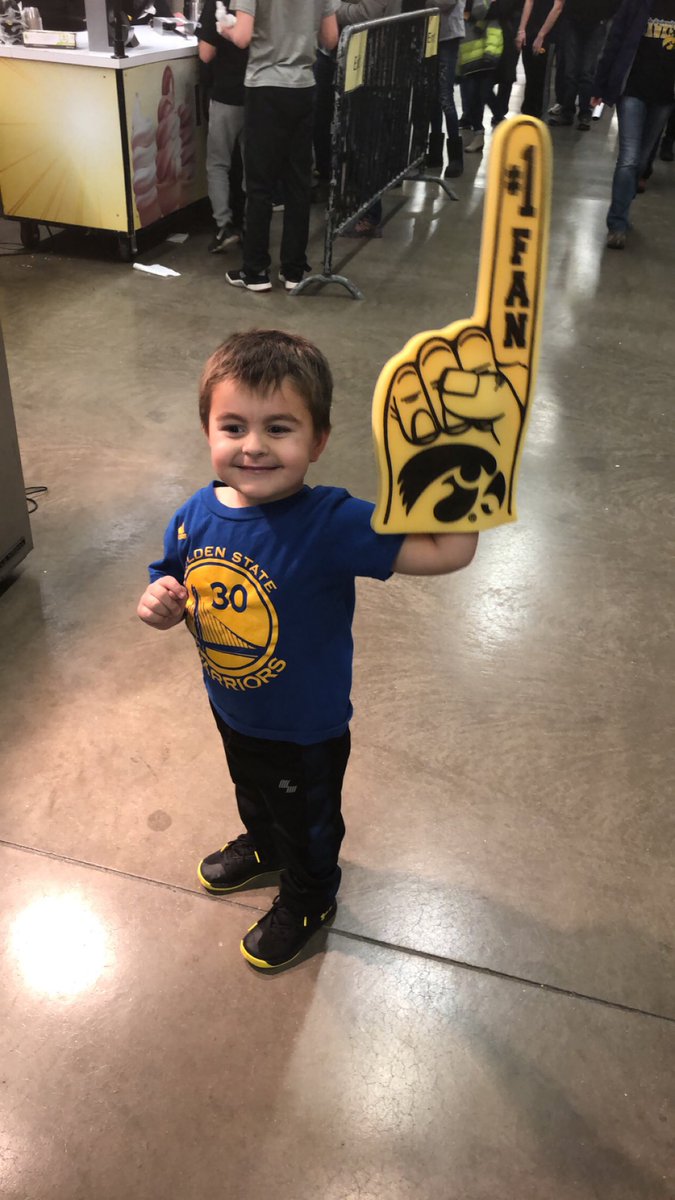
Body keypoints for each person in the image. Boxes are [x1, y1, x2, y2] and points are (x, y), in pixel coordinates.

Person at [137, 329, 477, 970]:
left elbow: (447, 550)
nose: (254, 446)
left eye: (280, 428)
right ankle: (265, 847)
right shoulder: (194, 512)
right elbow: (168, 574)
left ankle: (312, 894)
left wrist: (462, 472)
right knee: (252, 790)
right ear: (207, 430)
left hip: (305, 728)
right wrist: (159, 599)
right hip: (232, 705)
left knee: (309, 823)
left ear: (318, 440)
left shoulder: (332, 522)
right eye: (233, 426)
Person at [219, 0, 340, 293]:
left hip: (265, 87)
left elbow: (244, 36)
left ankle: (256, 270)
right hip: (303, 86)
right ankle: (294, 269)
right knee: (298, 181)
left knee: (260, 184)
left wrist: (225, 29)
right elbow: (330, 38)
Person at [592, 0, 675, 249]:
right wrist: (600, 85)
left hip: (664, 96)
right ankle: (617, 224)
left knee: (640, 161)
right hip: (633, 91)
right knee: (628, 158)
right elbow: (614, 41)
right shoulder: (637, 4)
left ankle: (623, 210)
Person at [198, 0, 248, 253]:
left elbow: (206, 53)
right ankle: (252, 224)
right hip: (256, 92)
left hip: (226, 93)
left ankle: (224, 225)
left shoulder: (216, 3)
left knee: (218, 163)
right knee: (251, 162)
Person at [548, 0, 615, 131]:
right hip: (572, 21)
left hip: (596, 22)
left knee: (587, 71)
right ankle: (567, 112)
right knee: (570, 71)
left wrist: (605, 16)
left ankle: (585, 113)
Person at [457, 0, 504, 153]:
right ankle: (486, 127)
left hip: (485, 56)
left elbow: (484, 14)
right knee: (475, 97)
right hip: (469, 57)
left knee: (481, 94)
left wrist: (491, 53)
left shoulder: (487, 8)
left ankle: (481, 131)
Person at [426, 0, 465, 176]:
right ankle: (435, 154)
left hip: (448, 36)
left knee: (445, 97)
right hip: (432, 35)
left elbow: (445, 2)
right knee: (433, 97)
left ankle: (456, 158)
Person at [516, 0, 565, 119]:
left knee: (541, 79)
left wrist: (541, 35)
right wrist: (522, 29)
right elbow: (529, 1)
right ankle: (527, 113)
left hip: (548, 34)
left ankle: (537, 117)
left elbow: (557, 7)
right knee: (530, 76)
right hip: (531, 29)